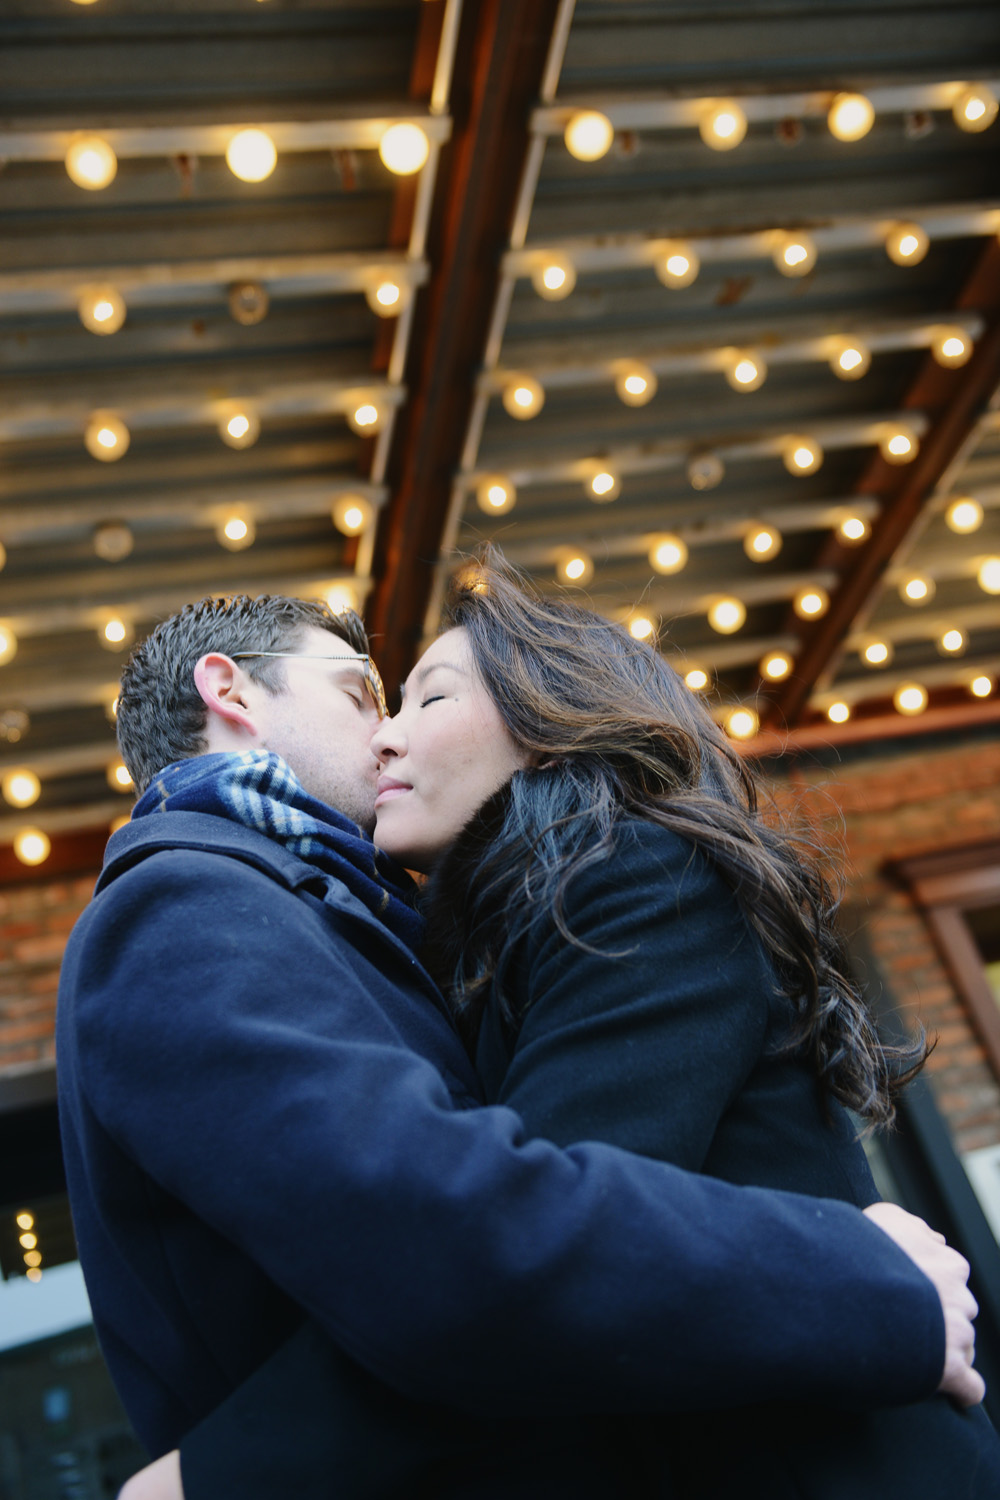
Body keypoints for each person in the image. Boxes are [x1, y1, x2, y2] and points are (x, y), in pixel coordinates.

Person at [55, 592, 980, 1500]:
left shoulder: (500, 910)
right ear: (232, 691)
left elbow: (501, 1255)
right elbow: (467, 1256)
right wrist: (865, 1280)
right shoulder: (187, 903)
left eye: (422, 701)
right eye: (361, 695)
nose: (385, 734)